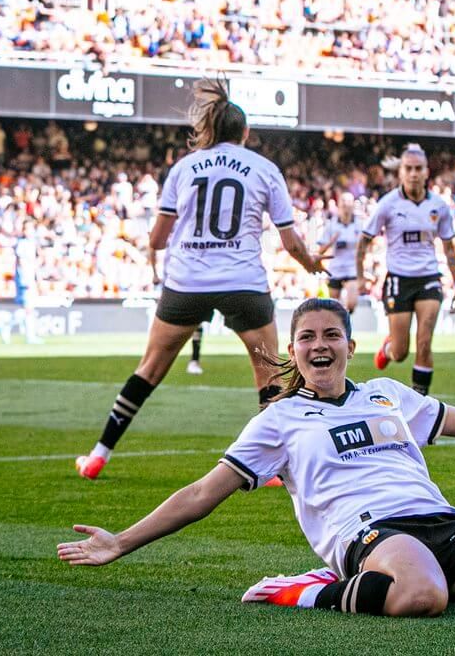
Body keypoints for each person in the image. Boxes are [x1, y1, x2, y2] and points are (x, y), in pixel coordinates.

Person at [58, 298, 455, 616]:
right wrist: (121, 542)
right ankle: (312, 589)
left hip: (443, 524)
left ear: (348, 344)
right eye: (307, 337)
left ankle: (418, 575)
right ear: (292, 351)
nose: (320, 345)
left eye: (332, 335)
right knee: (421, 596)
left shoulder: (387, 393)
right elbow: (203, 493)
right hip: (368, 534)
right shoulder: (278, 419)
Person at [75, 78, 325, 480]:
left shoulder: (183, 168)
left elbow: (157, 238)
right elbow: (291, 241)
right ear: (244, 133)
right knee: (270, 374)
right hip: (243, 281)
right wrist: (311, 263)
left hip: (187, 280)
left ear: (209, 129)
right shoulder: (265, 169)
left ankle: (98, 455)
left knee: (150, 369)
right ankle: (278, 469)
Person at [355, 144, 455, 396]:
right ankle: (387, 349)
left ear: (427, 172)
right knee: (400, 352)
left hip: (428, 278)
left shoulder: (439, 206)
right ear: (401, 172)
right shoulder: (387, 204)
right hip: (398, 280)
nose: (414, 173)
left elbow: (449, 249)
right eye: (409, 169)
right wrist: (360, 276)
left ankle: (421, 407)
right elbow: (364, 240)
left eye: (418, 169)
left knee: (424, 342)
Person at [316, 191, 363, 316]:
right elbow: (320, 251)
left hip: (352, 269)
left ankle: (346, 322)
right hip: (335, 269)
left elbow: (367, 245)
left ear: (353, 204)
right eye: (343, 201)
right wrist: (331, 242)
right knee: (334, 308)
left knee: (352, 304)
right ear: (339, 204)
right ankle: (340, 329)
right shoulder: (331, 225)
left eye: (349, 201)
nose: (346, 204)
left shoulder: (359, 224)